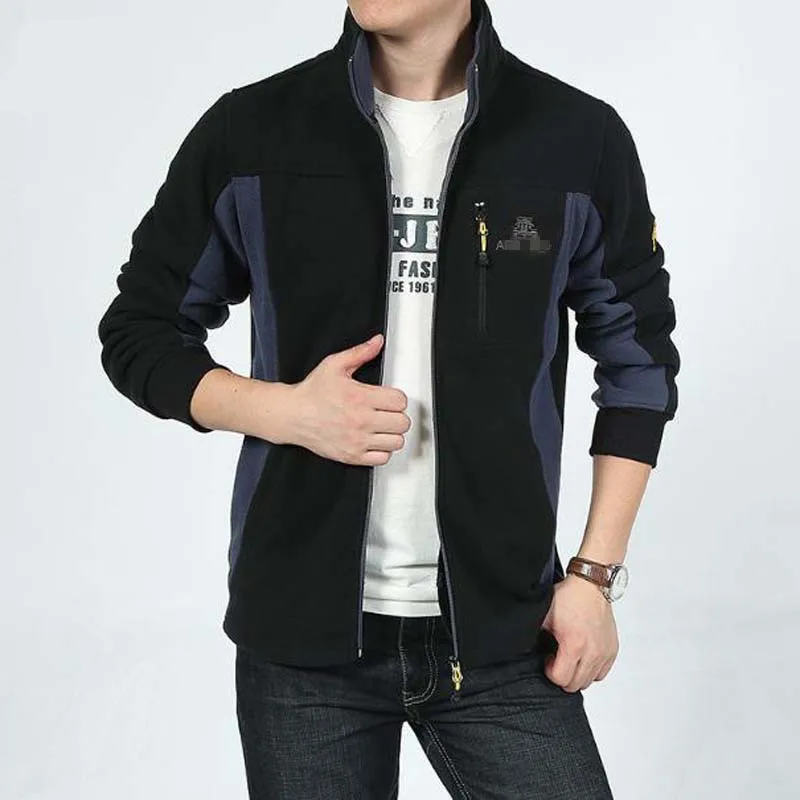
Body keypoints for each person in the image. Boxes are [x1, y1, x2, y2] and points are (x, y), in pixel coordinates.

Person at [97, 0, 679, 796]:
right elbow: (140, 330)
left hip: (507, 632)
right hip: (302, 645)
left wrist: (593, 576)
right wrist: (284, 412)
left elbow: (640, 364)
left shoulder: (575, 138)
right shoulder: (254, 129)